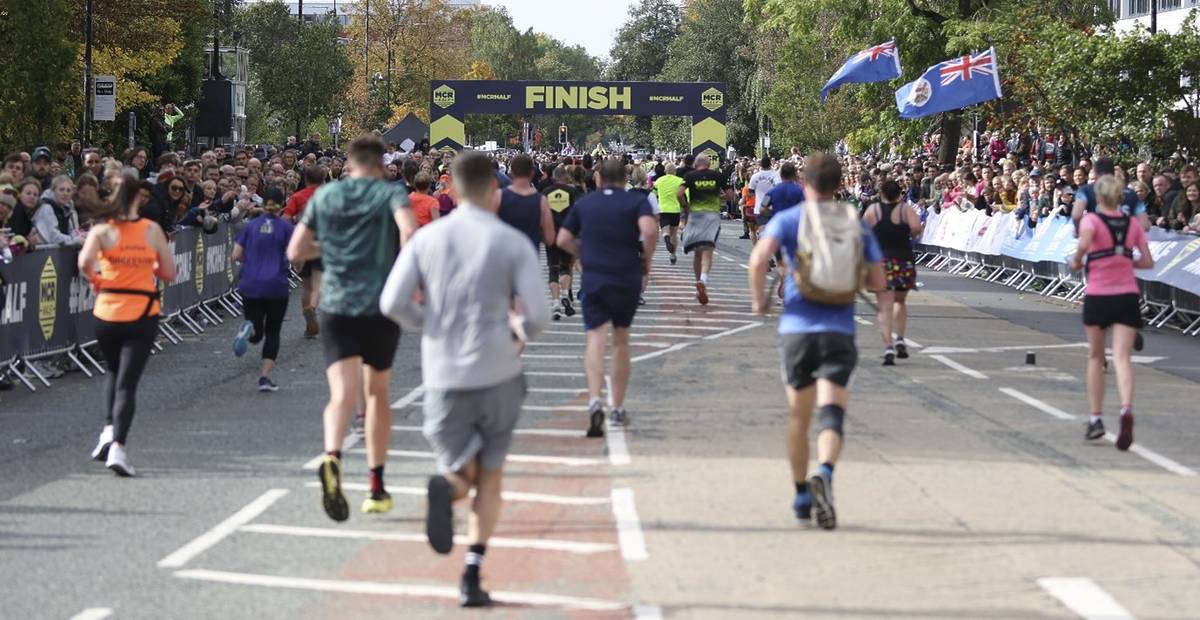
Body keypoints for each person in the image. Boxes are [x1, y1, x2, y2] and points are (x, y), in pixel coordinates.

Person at [379, 151, 550, 608]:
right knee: (490, 474)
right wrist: (515, 332)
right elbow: (537, 315)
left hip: (444, 371)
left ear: (451, 189)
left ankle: (449, 489)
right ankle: (473, 570)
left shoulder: (427, 239)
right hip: (498, 369)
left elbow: (393, 302)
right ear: (494, 192)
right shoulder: (511, 242)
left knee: (458, 468)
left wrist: (427, 323)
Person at [747, 153, 885, 530]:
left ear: (805, 183)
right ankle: (824, 471)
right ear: (840, 185)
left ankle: (801, 494)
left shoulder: (790, 219)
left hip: (796, 328)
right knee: (832, 413)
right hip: (839, 329)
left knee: (798, 416)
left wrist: (759, 300)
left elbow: (759, 260)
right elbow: (878, 281)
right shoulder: (854, 222)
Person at [287, 134, 417, 520]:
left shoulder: (326, 196)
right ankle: (376, 486)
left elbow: (295, 252)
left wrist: (332, 249)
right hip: (380, 304)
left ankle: (332, 455)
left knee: (341, 394)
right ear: (380, 164)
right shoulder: (391, 194)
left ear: (349, 163)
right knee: (376, 393)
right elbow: (410, 233)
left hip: (337, 304)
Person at [79, 172, 177, 476]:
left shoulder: (101, 230)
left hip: (106, 312)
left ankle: (109, 430)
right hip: (142, 312)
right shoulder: (151, 230)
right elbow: (169, 273)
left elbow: (84, 263)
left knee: (113, 372)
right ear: (138, 198)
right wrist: (148, 265)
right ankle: (118, 448)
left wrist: (99, 282)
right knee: (128, 383)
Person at [557, 158, 657, 433]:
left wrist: (582, 253)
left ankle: (594, 400)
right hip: (626, 277)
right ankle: (617, 408)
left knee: (595, 338)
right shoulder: (637, 201)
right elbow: (649, 230)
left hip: (594, 277)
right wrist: (646, 259)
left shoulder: (585, 203)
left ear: (599, 179)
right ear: (625, 179)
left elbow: (562, 239)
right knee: (621, 341)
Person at [1069, 176, 1154, 450]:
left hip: (1098, 294)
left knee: (1096, 358)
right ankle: (1126, 409)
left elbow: (1080, 256)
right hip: (1127, 294)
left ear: (1099, 198)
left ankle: (1096, 418)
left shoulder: (1090, 221)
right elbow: (1147, 261)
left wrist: (1079, 261)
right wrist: (1124, 260)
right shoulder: (1132, 225)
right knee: (1123, 358)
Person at [232, 187, 294, 392]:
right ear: (281, 204)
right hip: (276, 284)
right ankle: (264, 378)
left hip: (250, 283)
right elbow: (295, 254)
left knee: (256, 331)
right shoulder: (285, 228)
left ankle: (248, 330)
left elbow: (237, 255)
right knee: (273, 331)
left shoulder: (250, 226)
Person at [862, 180, 923, 365]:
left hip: (880, 262)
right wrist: (909, 236)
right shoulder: (905, 210)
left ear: (881, 194)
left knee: (884, 305)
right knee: (900, 302)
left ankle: (888, 346)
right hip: (903, 260)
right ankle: (900, 339)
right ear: (899, 194)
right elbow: (916, 228)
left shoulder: (873, 210)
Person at [678, 155, 733, 305]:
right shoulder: (717, 176)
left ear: (696, 164)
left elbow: (680, 193)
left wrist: (685, 206)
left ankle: (698, 284)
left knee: (697, 252)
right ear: (709, 164)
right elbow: (729, 195)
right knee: (708, 250)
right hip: (712, 216)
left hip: (695, 214)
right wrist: (718, 199)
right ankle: (703, 280)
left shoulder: (690, 176)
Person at [283, 165, 326, 338]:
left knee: (306, 286)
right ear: (323, 179)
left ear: (305, 180)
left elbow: (286, 219)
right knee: (318, 283)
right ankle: (312, 308)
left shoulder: (297, 197)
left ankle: (308, 321)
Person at [542, 165, 581, 320]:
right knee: (565, 268)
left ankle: (556, 303)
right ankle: (565, 293)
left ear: (553, 177)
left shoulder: (545, 193)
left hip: (551, 234)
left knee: (553, 269)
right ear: (566, 177)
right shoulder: (572, 192)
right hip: (567, 235)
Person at [652, 163, 684, 265]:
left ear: (665, 171)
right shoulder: (680, 181)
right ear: (675, 171)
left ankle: (666, 237)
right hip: (675, 209)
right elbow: (684, 194)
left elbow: (654, 193)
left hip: (663, 209)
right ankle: (673, 254)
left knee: (665, 230)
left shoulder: (659, 181)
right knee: (674, 234)